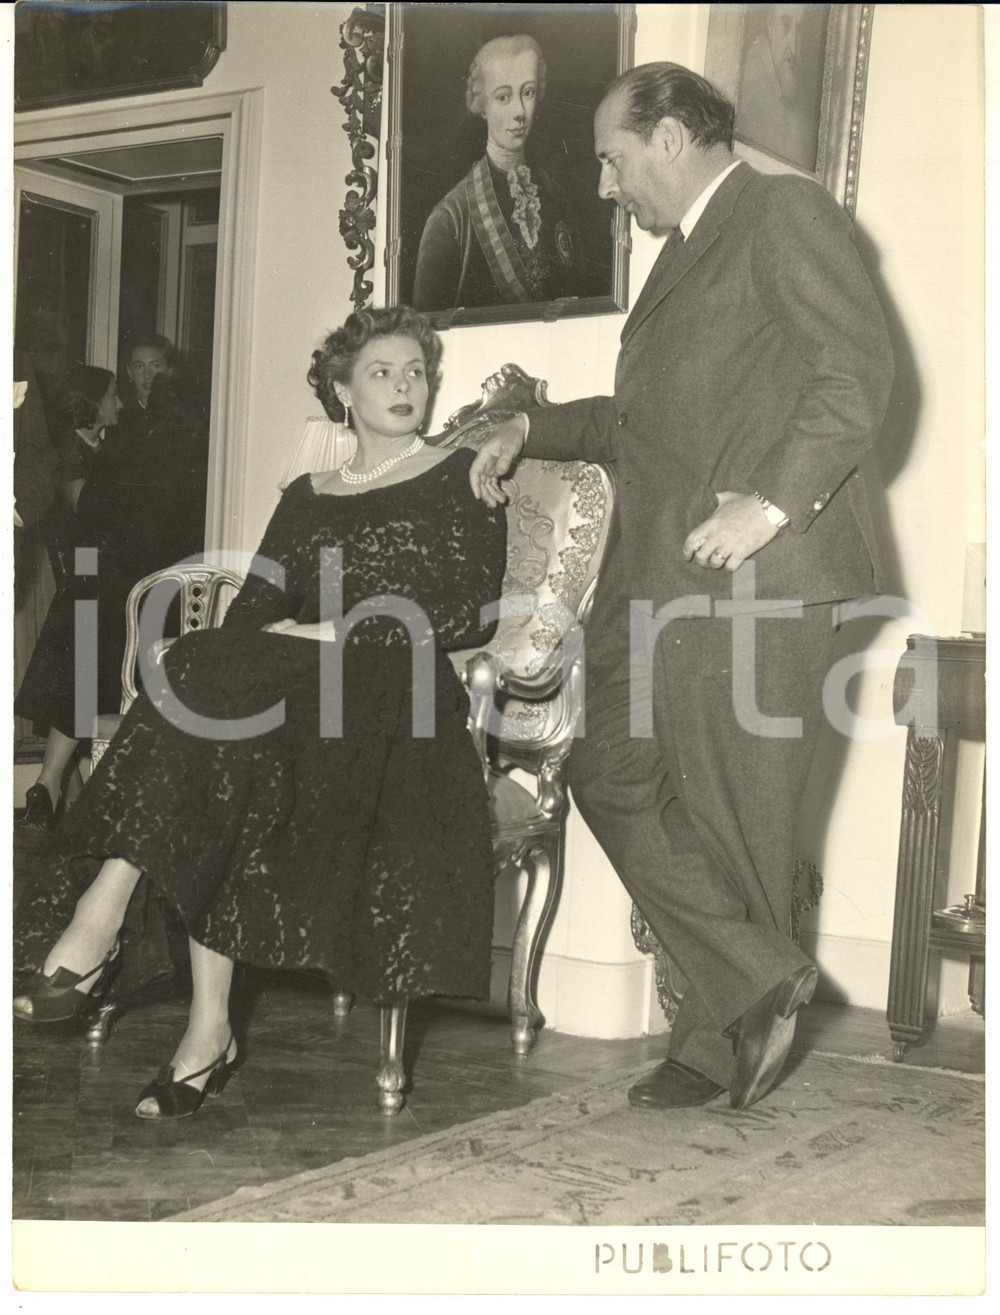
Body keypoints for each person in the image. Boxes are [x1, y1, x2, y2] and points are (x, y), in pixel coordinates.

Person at [469, 63, 894, 1111]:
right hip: (660, 579)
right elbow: (638, 423)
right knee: (608, 768)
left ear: (667, 137)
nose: (605, 186)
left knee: (738, 817)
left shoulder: (781, 214)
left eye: (612, 159)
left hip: (760, 576)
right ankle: (756, 978)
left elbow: (858, 373)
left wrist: (771, 505)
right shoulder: (684, 254)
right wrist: (529, 425)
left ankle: (713, 1042)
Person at [13, 306, 508, 1121]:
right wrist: (277, 641)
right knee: (205, 679)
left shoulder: (463, 475)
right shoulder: (310, 495)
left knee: (220, 714)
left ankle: (103, 923)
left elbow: (470, 610)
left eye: (416, 371)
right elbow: (253, 611)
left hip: (396, 691)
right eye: (381, 371)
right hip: (302, 691)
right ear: (343, 390)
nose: (403, 386)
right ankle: (202, 1023)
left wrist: (332, 628)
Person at [16, 365, 123, 829]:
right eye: (113, 395)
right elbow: (87, 512)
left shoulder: (101, 448)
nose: (119, 404)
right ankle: (58, 789)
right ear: (93, 403)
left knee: (80, 677)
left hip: (89, 580)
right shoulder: (70, 453)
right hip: (79, 576)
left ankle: (52, 788)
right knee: (88, 668)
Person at [412, 34, 584, 312]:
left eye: (528, 92)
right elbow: (425, 328)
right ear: (482, 106)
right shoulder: (450, 219)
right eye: (503, 97)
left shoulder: (558, 198)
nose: (520, 112)